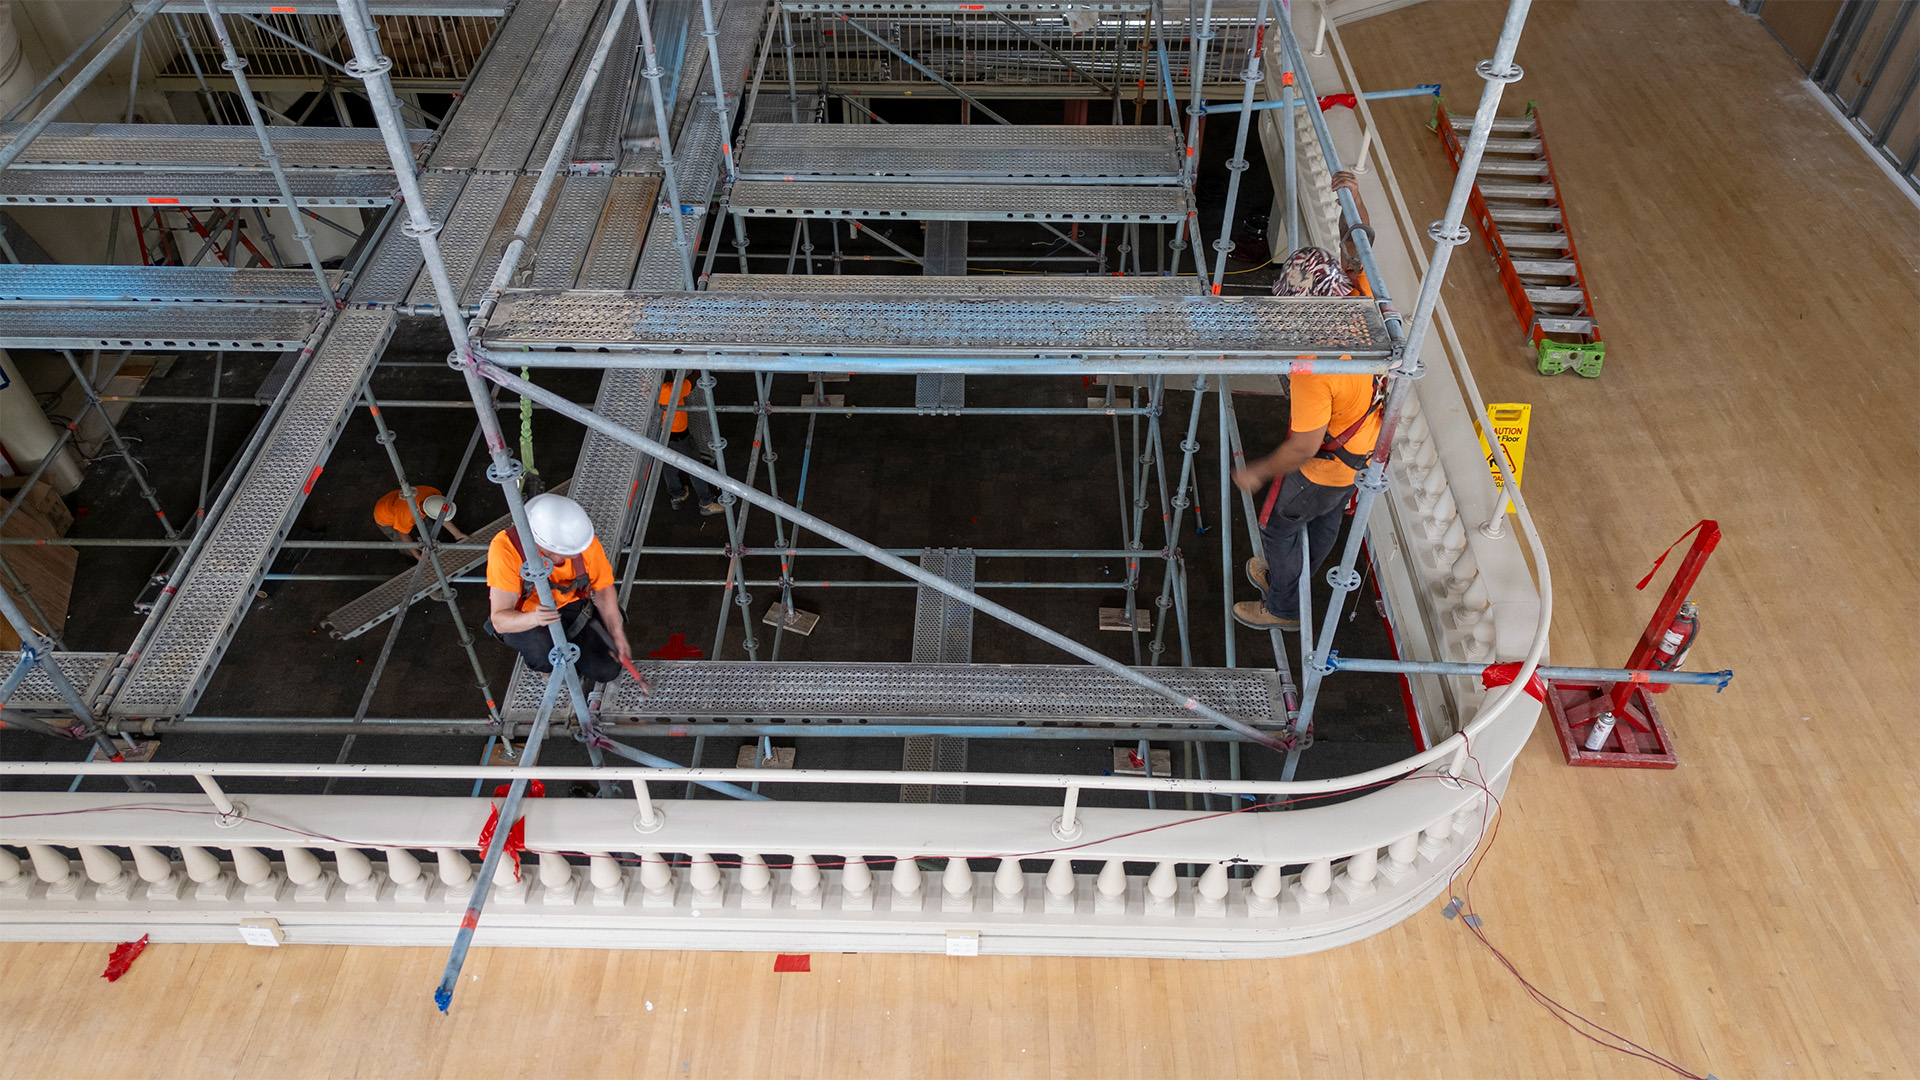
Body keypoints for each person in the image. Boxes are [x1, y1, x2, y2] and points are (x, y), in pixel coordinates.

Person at [1232, 170, 1383, 633]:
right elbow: (1356, 251)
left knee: (1279, 527)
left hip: (1321, 465)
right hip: (1361, 452)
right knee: (1324, 522)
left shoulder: (1314, 368)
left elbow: (1302, 446)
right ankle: (1291, 579)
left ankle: (1283, 606)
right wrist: (1350, 203)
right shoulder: (1357, 301)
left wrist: (1257, 471)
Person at [484, 493, 632, 685]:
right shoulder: (506, 548)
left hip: (572, 605)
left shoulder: (581, 541)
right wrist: (534, 618)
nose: (566, 559)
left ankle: (578, 663)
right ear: (541, 545)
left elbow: (603, 588)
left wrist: (616, 631)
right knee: (543, 653)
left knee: (607, 669)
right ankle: (546, 668)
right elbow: (500, 621)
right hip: (528, 616)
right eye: (562, 554)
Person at [658, 377, 723, 516]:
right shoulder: (669, 390)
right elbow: (691, 382)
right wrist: (696, 367)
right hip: (680, 434)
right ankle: (706, 502)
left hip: (661, 433)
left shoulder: (645, 389)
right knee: (695, 467)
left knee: (668, 464)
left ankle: (677, 496)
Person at [372, 486, 469, 561]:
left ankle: (437, 544)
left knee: (429, 528)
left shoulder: (433, 493)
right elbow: (404, 536)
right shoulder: (407, 517)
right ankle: (410, 559)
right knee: (402, 542)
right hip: (383, 515)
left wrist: (457, 534)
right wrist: (417, 556)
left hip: (397, 505)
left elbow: (441, 515)